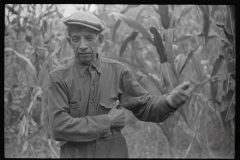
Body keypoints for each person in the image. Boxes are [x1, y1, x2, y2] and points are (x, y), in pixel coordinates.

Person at [48, 10, 193, 158]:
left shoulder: (118, 71)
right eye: (76, 39)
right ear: (69, 42)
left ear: (100, 40)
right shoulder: (59, 77)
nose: (83, 45)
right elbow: (59, 127)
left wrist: (168, 102)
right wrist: (108, 121)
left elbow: (145, 106)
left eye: (89, 38)